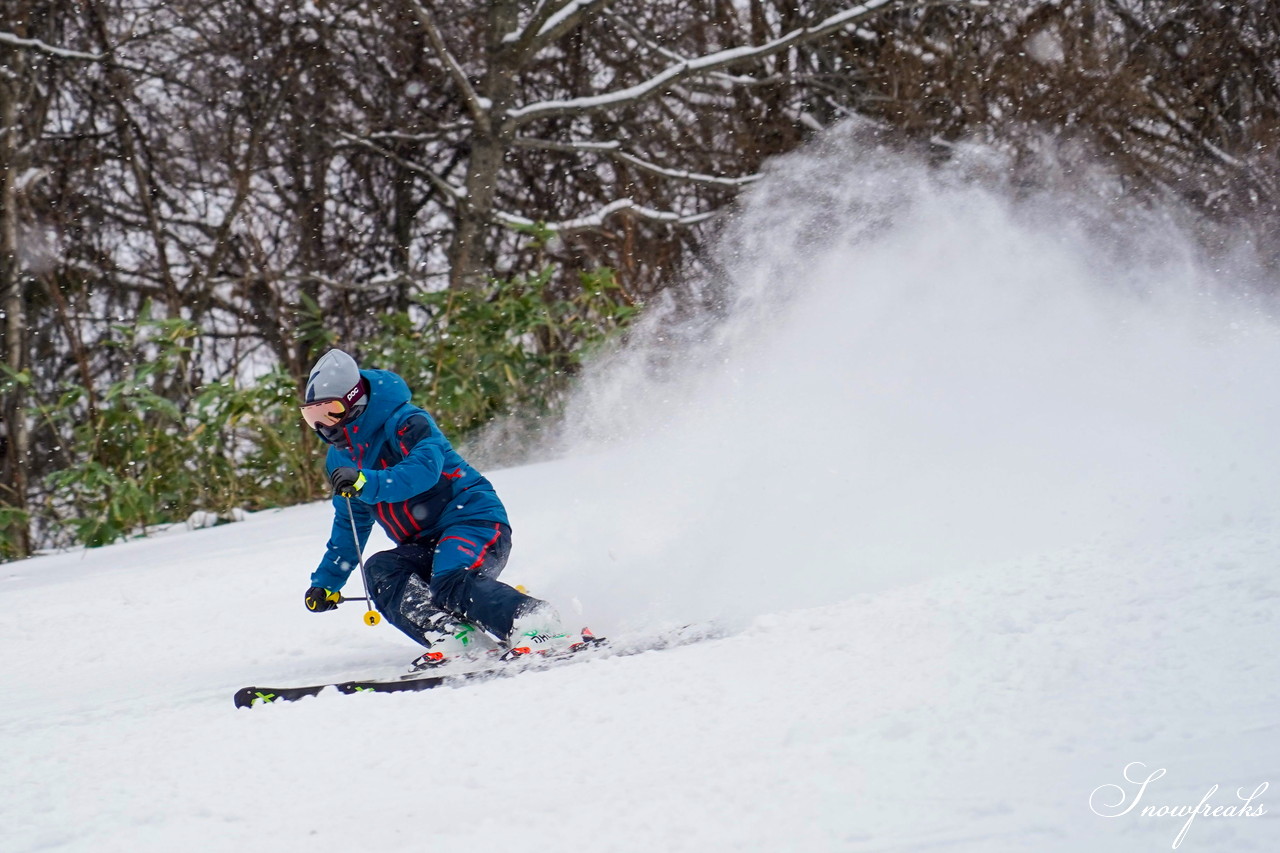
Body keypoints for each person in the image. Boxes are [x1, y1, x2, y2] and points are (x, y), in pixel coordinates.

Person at [299, 348, 578, 669]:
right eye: (312, 417)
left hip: (474, 521)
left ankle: (537, 622)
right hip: (422, 544)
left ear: (355, 401)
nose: (323, 427)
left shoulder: (407, 421)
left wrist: (365, 481)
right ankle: (454, 635)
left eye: (330, 413)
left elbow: (424, 470)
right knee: (382, 570)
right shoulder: (340, 458)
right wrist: (327, 582)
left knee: (452, 579)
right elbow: (351, 521)